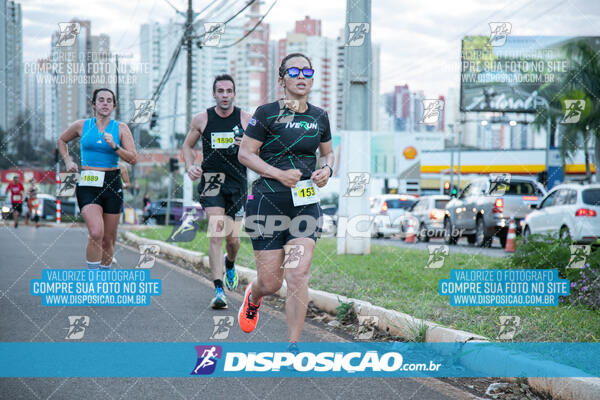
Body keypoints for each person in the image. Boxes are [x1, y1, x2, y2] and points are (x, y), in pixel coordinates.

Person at [237, 53, 334, 348]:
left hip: (304, 203)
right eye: (294, 71)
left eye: (307, 70)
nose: (302, 75)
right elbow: (245, 154)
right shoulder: (266, 113)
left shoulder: (319, 116)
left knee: (298, 274)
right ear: (281, 80)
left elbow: (328, 153)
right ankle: (253, 296)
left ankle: (293, 345)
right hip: (267, 201)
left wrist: (326, 170)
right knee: (271, 283)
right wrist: (278, 174)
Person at [182, 74, 252, 309]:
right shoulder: (202, 119)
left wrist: (246, 145)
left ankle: (230, 262)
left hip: (237, 182)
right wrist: (190, 165)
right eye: (220, 91)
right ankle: (219, 289)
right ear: (214, 94)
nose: (224, 95)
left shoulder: (246, 119)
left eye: (228, 91)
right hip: (211, 180)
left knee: (233, 240)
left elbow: (260, 151)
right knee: (216, 233)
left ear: (234, 93)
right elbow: (187, 145)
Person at [58, 88, 137, 270]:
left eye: (109, 100)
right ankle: (93, 280)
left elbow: (133, 158)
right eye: (101, 100)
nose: (105, 103)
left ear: (114, 105)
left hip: (112, 181)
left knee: (108, 239)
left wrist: (115, 146)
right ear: (93, 104)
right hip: (88, 182)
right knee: (96, 232)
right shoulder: (82, 125)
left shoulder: (121, 128)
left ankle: (103, 278)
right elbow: (61, 140)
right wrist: (68, 161)